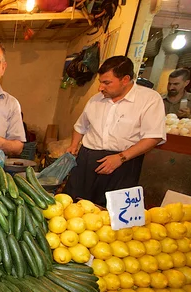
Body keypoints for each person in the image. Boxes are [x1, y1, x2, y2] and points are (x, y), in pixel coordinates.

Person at [64, 56, 166, 206]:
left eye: (107, 83)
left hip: (123, 163)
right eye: (100, 82)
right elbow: (80, 127)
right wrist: (74, 145)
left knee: (110, 212)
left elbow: (153, 137)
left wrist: (121, 157)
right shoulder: (95, 100)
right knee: (73, 205)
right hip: (87, 161)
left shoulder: (149, 99)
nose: (100, 88)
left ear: (125, 79)